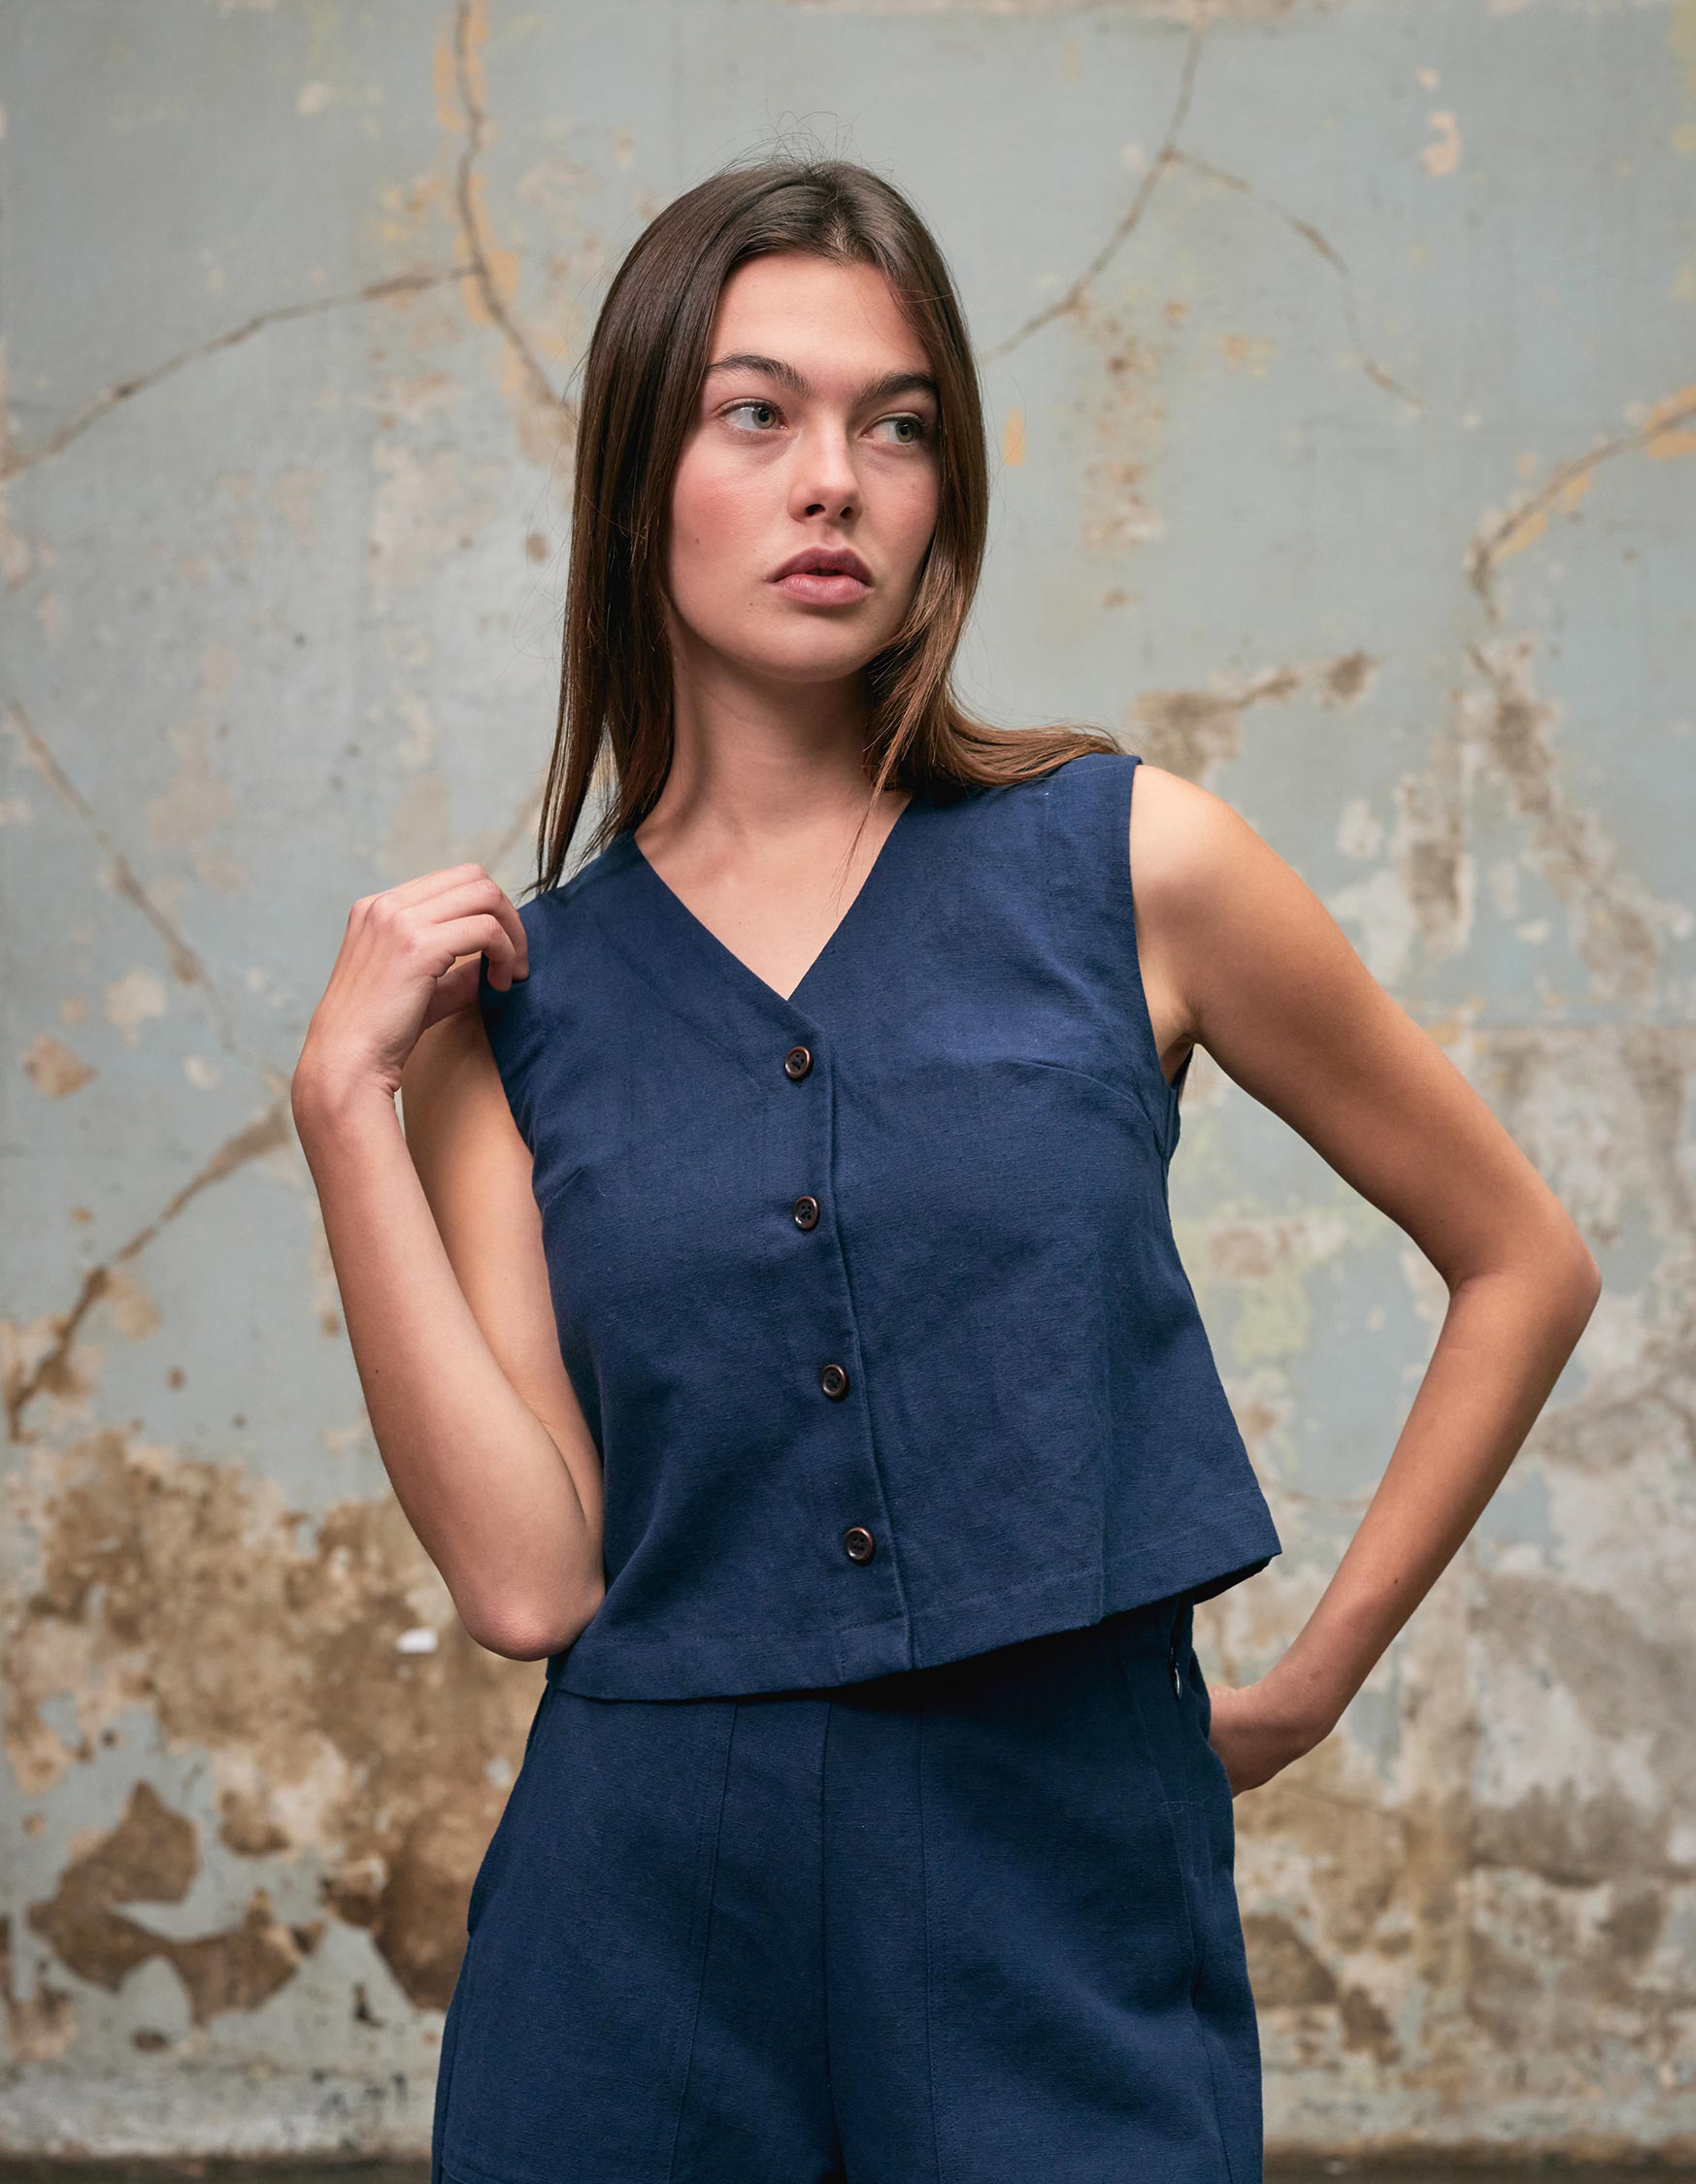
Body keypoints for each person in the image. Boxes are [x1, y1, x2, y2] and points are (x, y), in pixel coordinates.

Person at [291, 153, 1601, 2184]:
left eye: (897, 427)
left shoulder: (1134, 864)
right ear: (644, 475)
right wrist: (342, 1111)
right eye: (761, 414)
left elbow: (1524, 1256)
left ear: (945, 498)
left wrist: (1313, 1683)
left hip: (1064, 1905)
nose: (839, 480)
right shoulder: (507, 1015)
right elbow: (532, 1578)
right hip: (640, 1943)